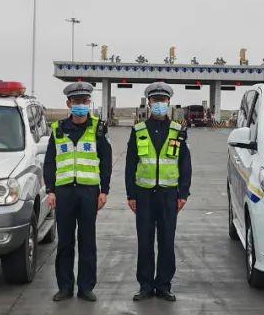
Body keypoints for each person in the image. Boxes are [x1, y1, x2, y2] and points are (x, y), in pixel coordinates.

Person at [44, 81, 112, 302]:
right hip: (63, 193)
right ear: (68, 104)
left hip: (88, 192)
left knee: (87, 241)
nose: (81, 105)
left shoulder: (98, 129)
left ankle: (86, 287)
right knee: (64, 242)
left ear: (89, 103)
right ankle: (65, 287)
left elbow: (106, 162)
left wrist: (105, 190)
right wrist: (51, 190)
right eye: (76, 102)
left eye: (84, 101)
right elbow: (50, 163)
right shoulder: (57, 129)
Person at [125, 82, 191, 302]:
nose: (159, 104)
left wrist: (183, 194)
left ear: (168, 102)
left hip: (168, 195)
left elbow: (185, 164)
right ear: (149, 102)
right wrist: (131, 195)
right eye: (155, 100)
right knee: (144, 242)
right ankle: (145, 285)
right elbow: (130, 164)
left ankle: (163, 285)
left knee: (166, 241)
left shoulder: (178, 131)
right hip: (144, 195)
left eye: (163, 100)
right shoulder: (138, 130)